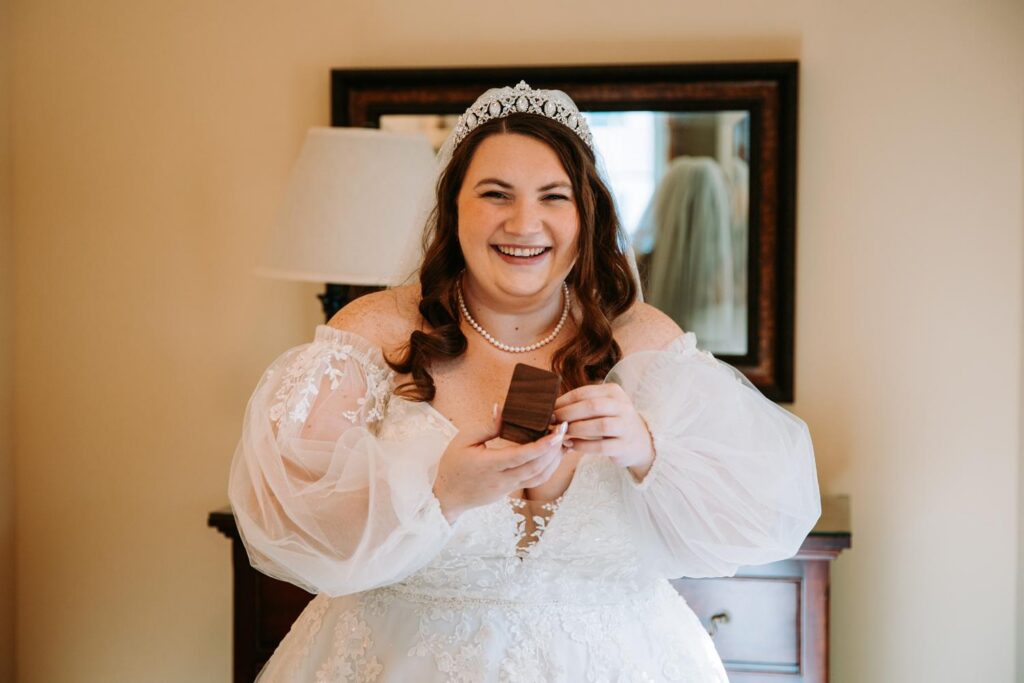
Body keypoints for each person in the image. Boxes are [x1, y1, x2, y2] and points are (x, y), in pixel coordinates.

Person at [228, 81, 821, 682]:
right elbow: (292, 531)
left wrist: (648, 451)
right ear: (453, 206)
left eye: (553, 196)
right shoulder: (372, 335)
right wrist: (440, 491)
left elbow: (756, 523)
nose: (524, 222)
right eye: (496, 194)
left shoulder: (646, 343)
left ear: (585, 212)